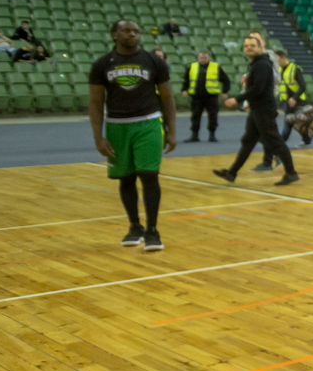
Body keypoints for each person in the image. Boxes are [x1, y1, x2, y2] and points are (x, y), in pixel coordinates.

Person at [88, 18, 176, 251]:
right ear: (115, 34)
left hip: (148, 123)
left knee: (149, 175)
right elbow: (96, 103)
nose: (133, 34)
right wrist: (98, 137)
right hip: (117, 126)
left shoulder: (153, 61)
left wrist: (171, 131)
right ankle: (135, 226)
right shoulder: (102, 65)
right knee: (126, 177)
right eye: (126, 30)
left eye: (136, 31)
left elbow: (167, 97)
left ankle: (152, 231)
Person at [213, 32, 298, 187]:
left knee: (275, 141)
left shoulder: (262, 65)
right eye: (246, 46)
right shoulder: (256, 63)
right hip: (258, 109)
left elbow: (257, 89)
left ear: (260, 47)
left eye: (252, 46)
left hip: (264, 109)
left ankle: (291, 173)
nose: (249, 48)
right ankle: (232, 172)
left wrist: (237, 99)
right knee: (248, 141)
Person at [181, 49, 225, 142]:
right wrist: (184, 89)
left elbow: (225, 80)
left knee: (213, 115)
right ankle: (194, 136)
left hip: (211, 96)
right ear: (198, 58)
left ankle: (212, 135)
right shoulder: (192, 67)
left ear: (208, 57)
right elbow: (186, 79)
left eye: (205, 57)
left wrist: (225, 91)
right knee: (195, 116)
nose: (203, 59)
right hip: (196, 96)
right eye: (201, 57)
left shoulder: (216, 67)